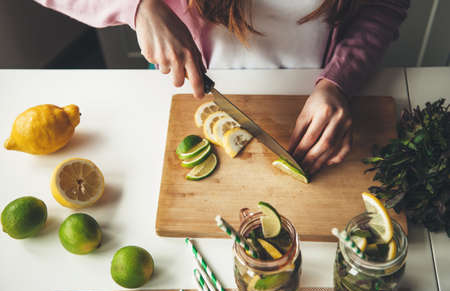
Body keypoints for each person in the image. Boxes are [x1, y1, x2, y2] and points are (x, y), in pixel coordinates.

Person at [33, 0, 409, 174]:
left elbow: (384, 5)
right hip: (189, 84)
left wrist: (339, 81)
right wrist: (137, 6)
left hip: (317, 86)